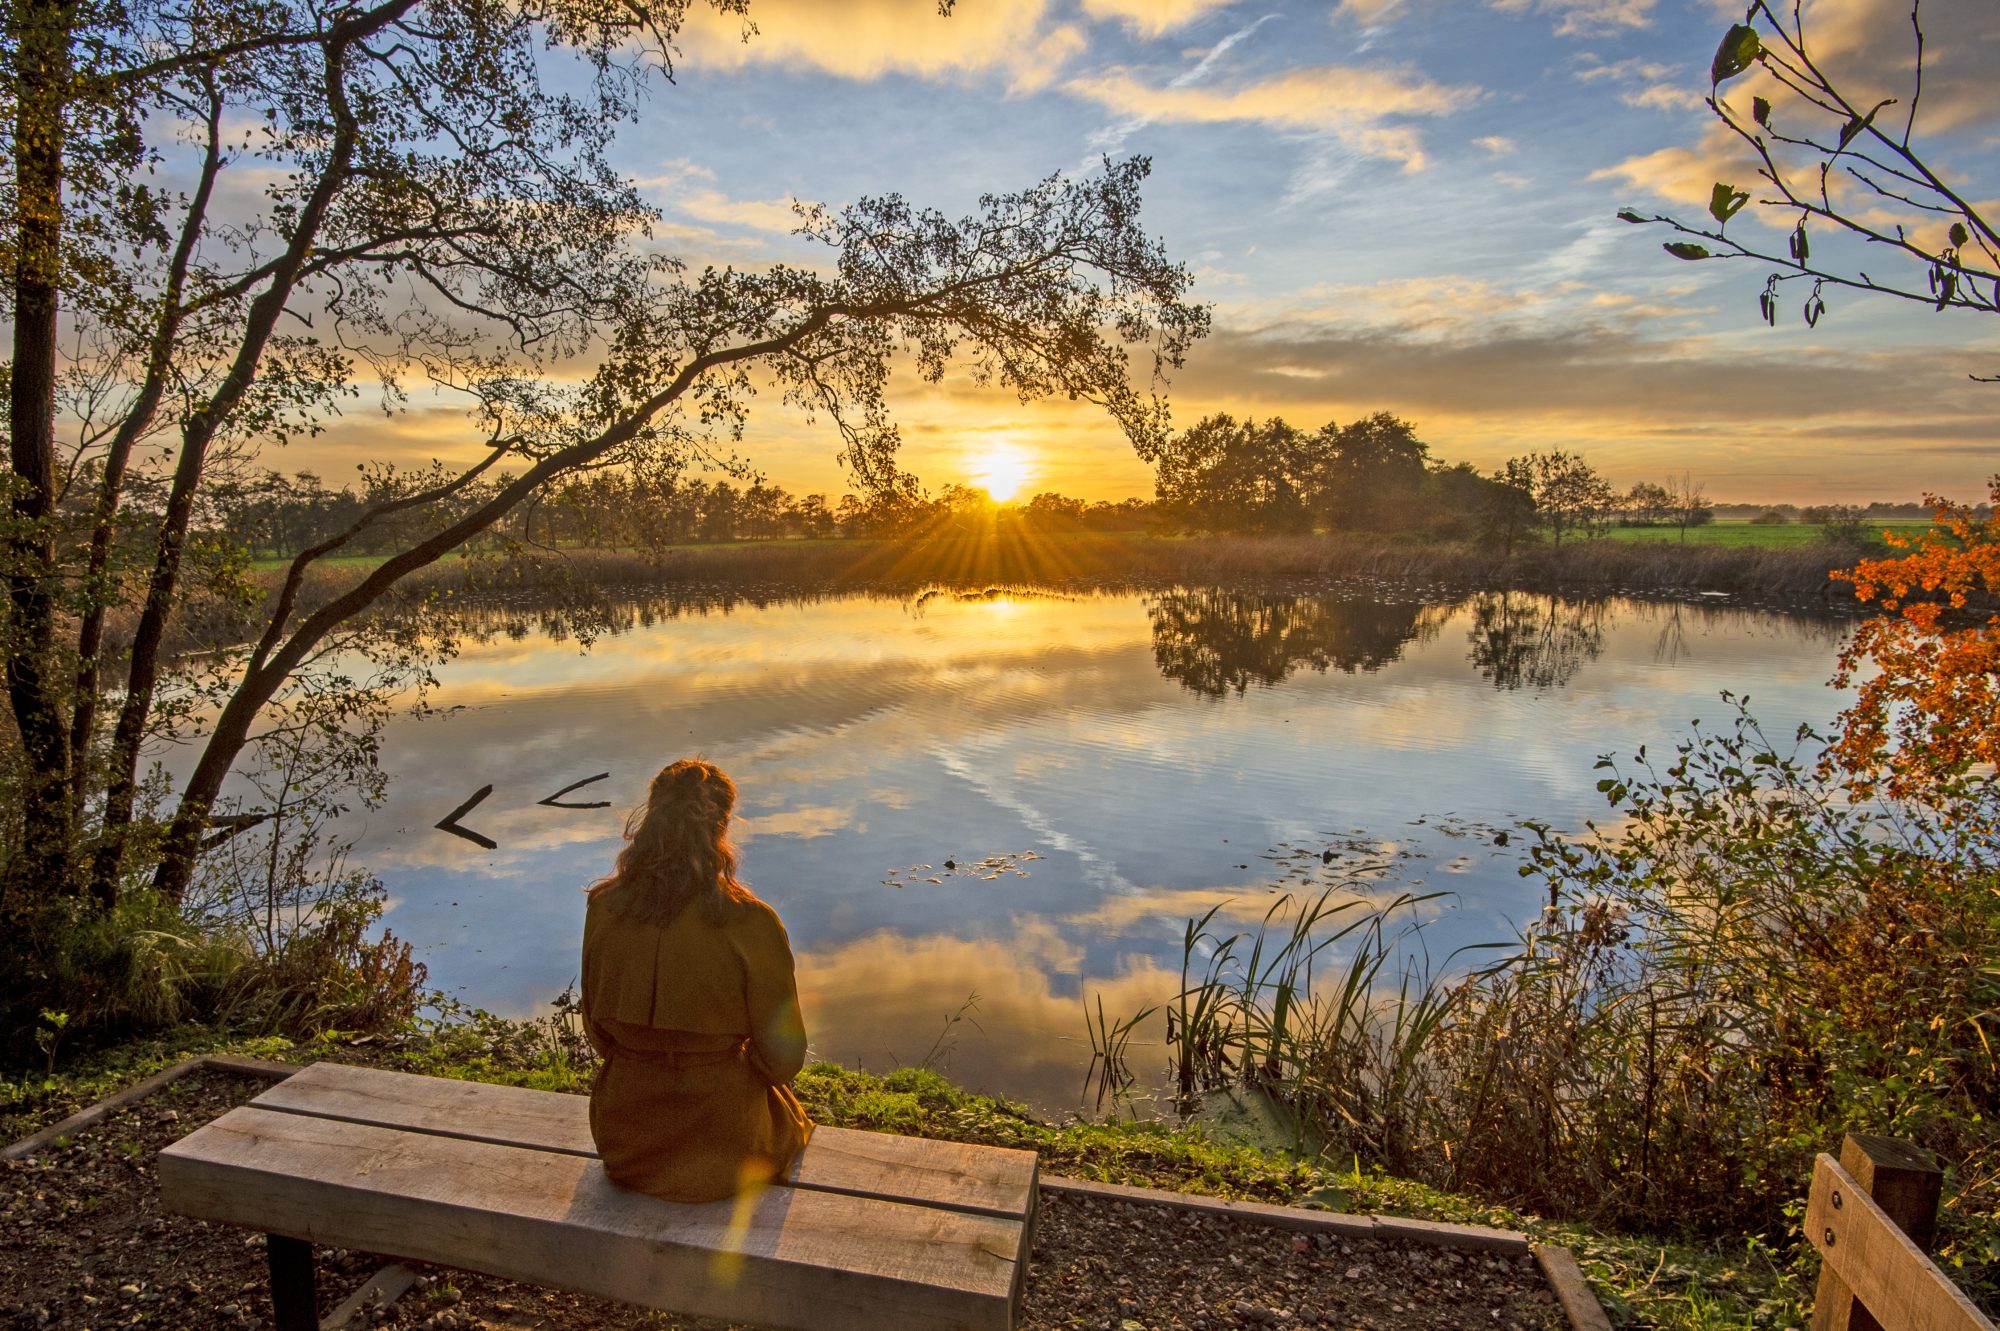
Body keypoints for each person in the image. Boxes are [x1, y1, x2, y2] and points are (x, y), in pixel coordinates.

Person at [579, 759, 813, 1202]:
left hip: (628, 1140)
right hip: (726, 1146)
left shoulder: (604, 906)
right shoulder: (751, 921)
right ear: (721, 827)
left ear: (650, 819)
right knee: (789, 1121)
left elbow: (597, 1032)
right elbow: (783, 1059)